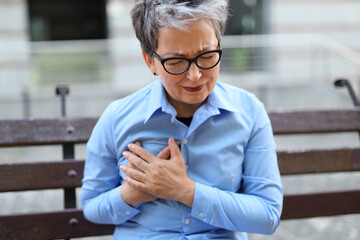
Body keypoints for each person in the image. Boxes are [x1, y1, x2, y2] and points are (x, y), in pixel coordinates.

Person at [80, 0, 283, 239]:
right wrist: (132, 195)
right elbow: (92, 207)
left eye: (207, 55)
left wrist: (185, 191)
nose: (195, 75)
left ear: (219, 45)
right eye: (176, 62)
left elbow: (268, 215)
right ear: (150, 62)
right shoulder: (117, 118)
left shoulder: (249, 112)